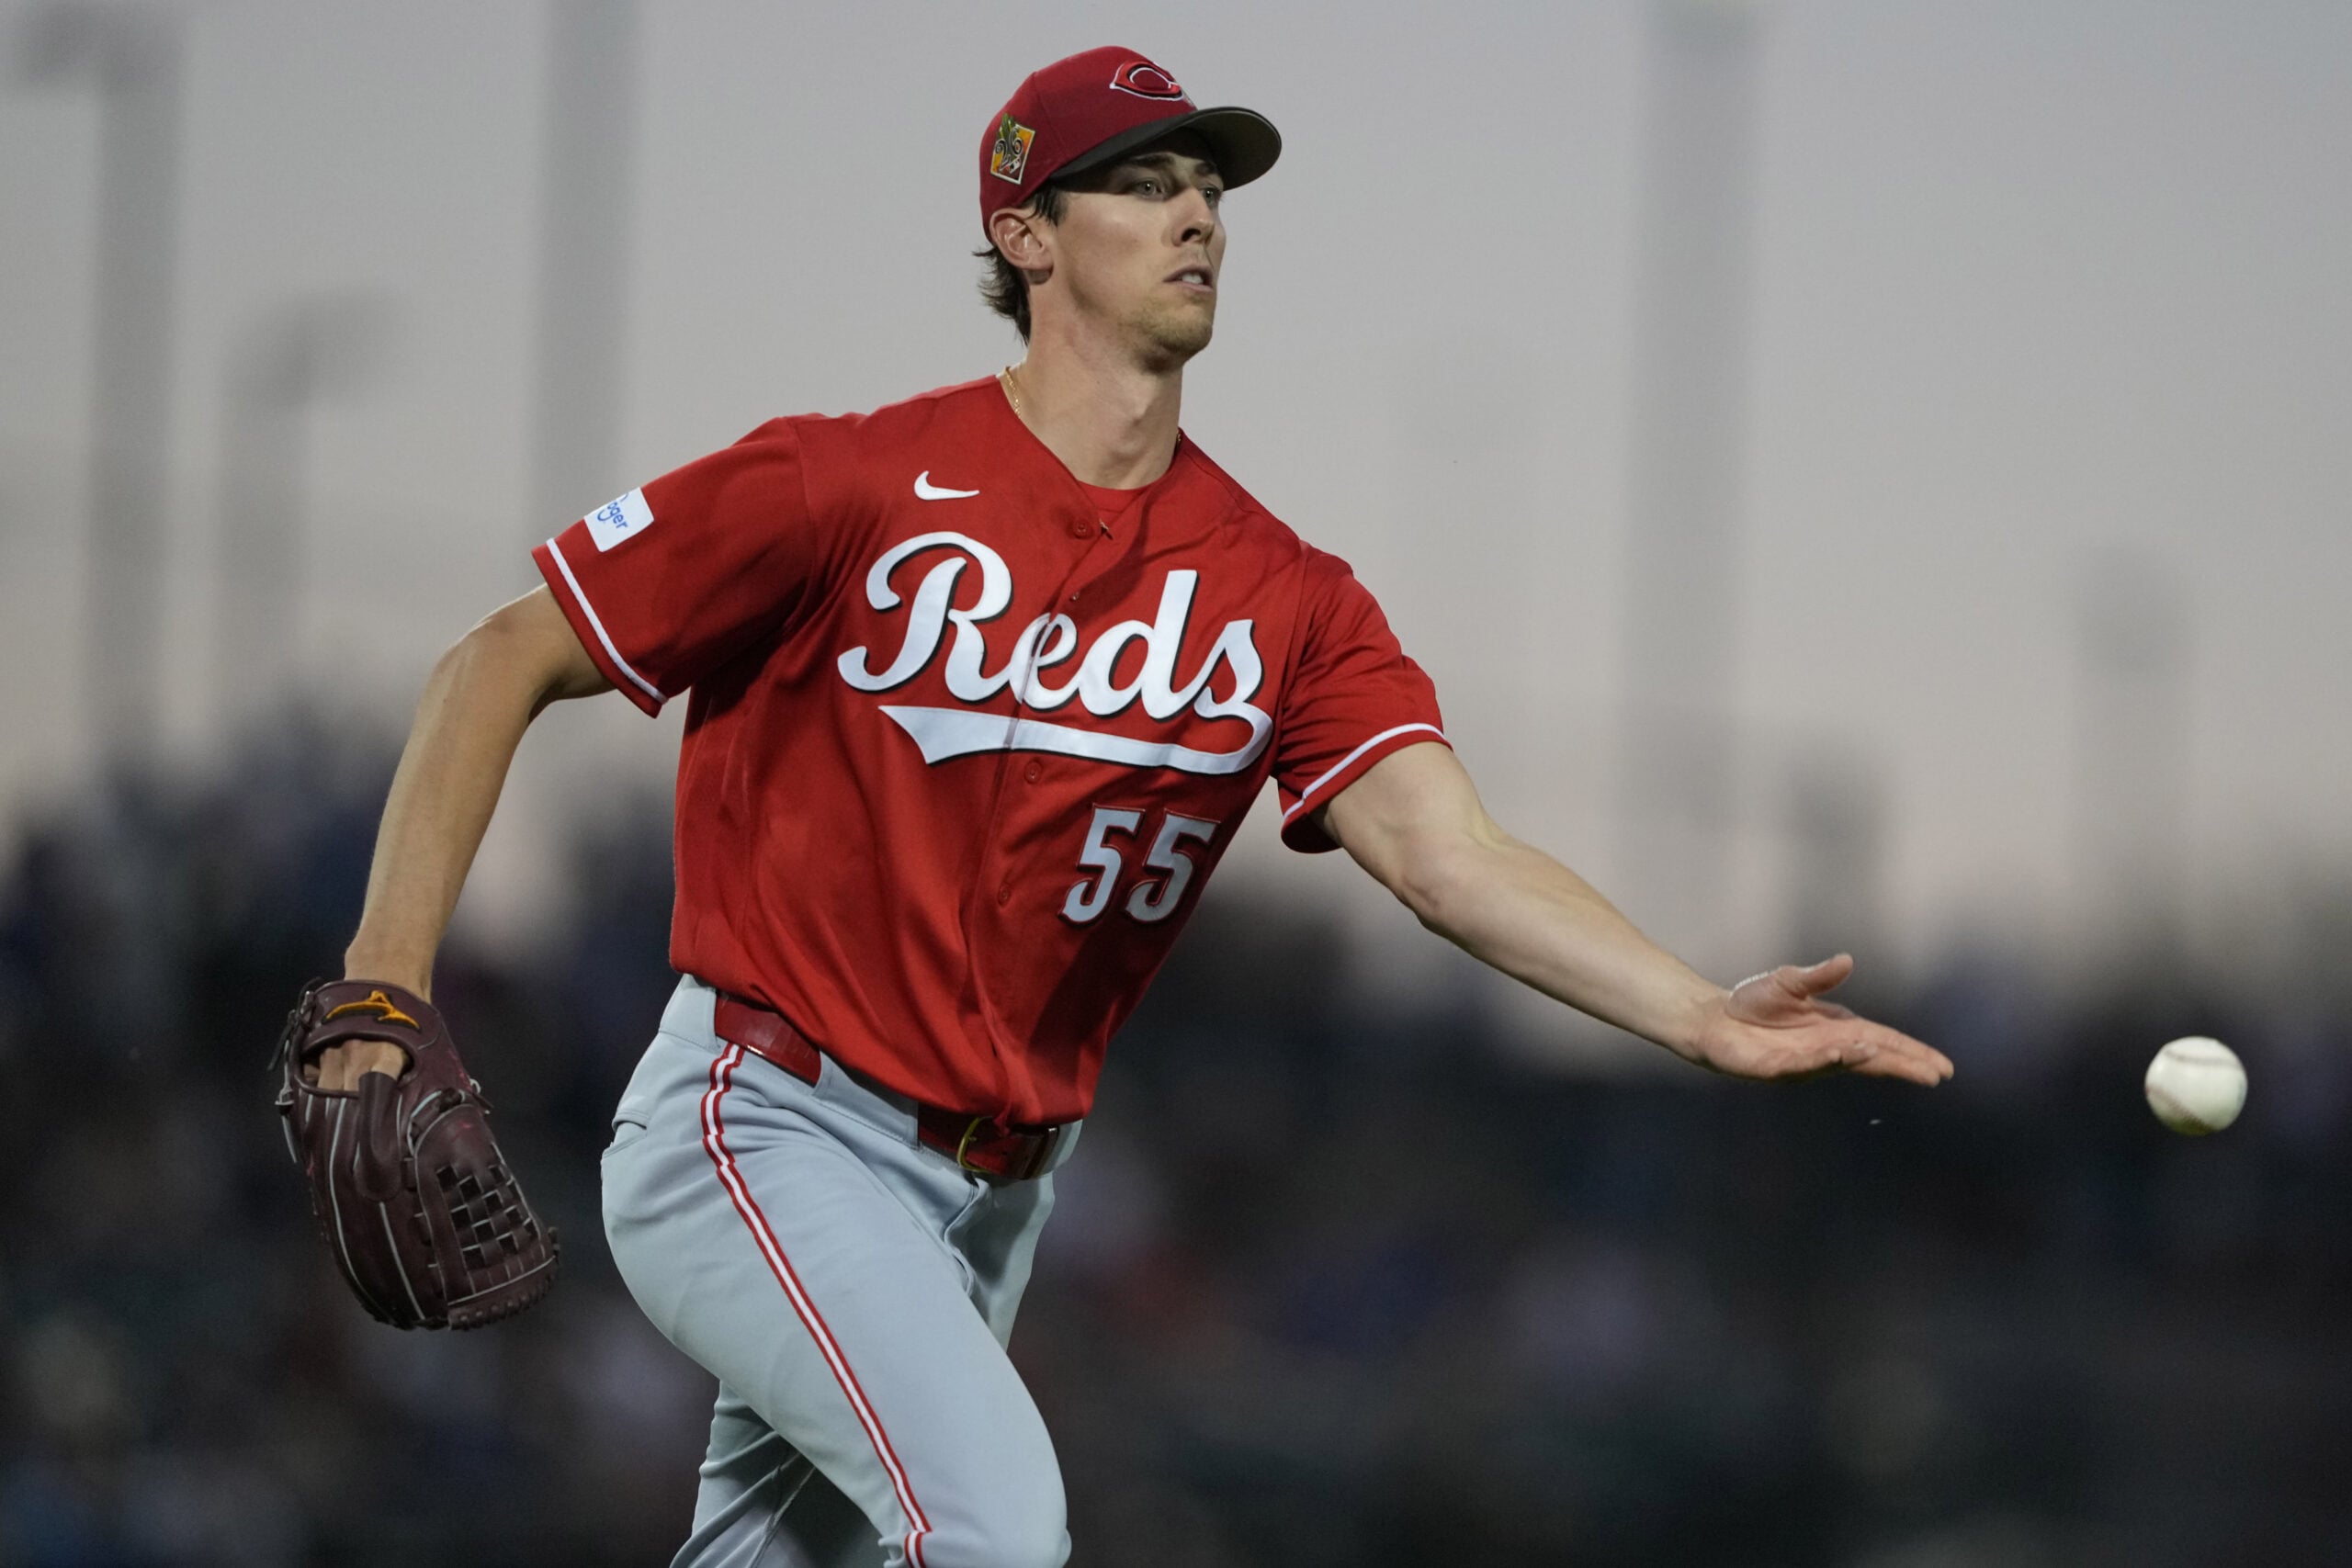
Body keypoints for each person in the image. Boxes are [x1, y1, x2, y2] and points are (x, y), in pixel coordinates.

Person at [315, 45, 1952, 1568]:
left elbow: (1449, 856)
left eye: (1213, 188)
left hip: (998, 1192)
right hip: (766, 1120)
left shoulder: (1285, 593)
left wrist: (1693, 1012)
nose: (1197, 214)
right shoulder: (846, 487)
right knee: (993, 1524)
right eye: (1145, 179)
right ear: (1025, 234)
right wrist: (385, 987)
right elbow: (495, 661)